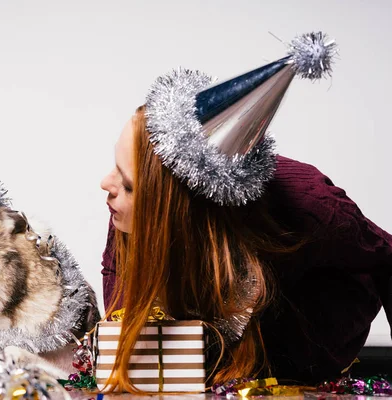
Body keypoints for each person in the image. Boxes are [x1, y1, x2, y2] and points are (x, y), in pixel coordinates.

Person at [98, 32, 392, 391]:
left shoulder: (311, 205)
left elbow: (386, 259)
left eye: (128, 185)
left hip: (306, 336)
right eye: (116, 167)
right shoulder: (131, 215)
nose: (105, 183)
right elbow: (122, 306)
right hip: (215, 326)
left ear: (179, 207)